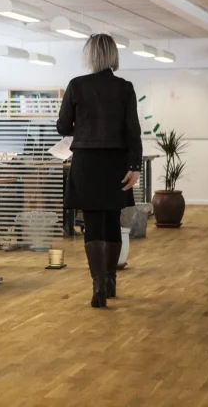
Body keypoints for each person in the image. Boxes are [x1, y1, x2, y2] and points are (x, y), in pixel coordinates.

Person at [57, 35, 142, 308]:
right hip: (116, 161)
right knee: (112, 220)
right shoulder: (124, 87)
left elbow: (62, 127)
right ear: (113, 55)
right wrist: (135, 166)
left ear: (90, 55)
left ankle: (98, 287)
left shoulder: (76, 85)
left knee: (92, 222)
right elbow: (133, 130)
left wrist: (82, 127)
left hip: (86, 161)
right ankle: (110, 280)